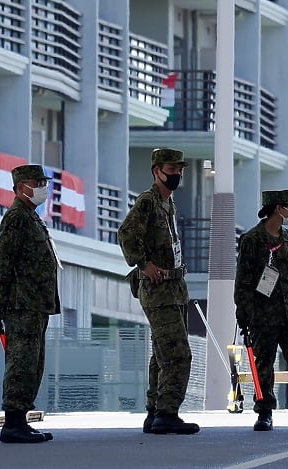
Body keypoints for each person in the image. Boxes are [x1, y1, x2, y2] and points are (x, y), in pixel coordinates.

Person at [117, 148, 199, 435]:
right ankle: (167, 412)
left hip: (175, 288)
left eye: (180, 169)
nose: (177, 174)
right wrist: (144, 264)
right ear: (157, 171)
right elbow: (126, 233)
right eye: (171, 169)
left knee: (162, 354)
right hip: (159, 289)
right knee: (178, 353)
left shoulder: (168, 204)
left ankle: (155, 411)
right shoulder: (148, 202)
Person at [234, 190, 288, 432]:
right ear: (277, 208)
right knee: (264, 365)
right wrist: (244, 312)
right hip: (262, 314)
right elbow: (244, 281)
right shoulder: (251, 240)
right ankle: (264, 412)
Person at [0, 164, 59, 443]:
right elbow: (2, 260)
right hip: (22, 304)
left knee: (33, 362)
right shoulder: (17, 217)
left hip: (35, 304)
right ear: (20, 188)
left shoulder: (31, 217)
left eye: (43, 181)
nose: (42, 187)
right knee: (21, 361)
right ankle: (13, 423)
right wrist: (0, 302)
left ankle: (22, 419)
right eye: (36, 182)